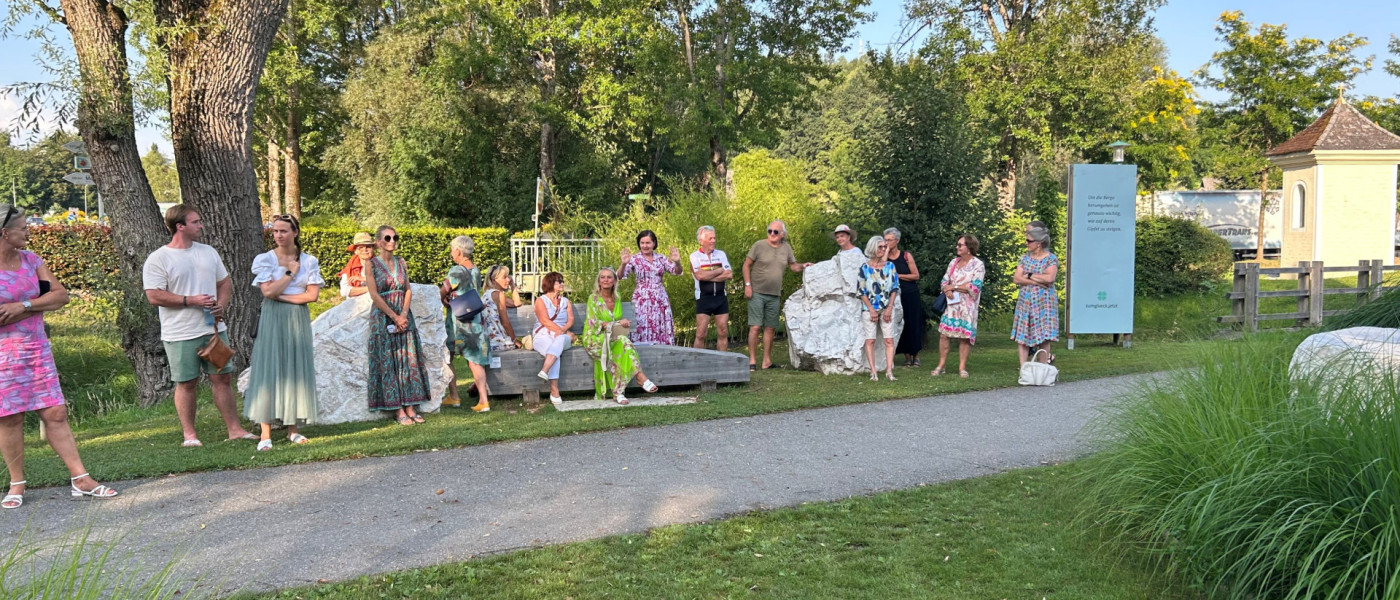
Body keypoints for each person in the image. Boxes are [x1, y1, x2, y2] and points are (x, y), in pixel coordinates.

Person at [1, 204, 117, 509]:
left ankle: (81, 479)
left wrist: (23, 306)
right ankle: (16, 483)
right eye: (23, 228)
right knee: (10, 418)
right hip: (3, 356)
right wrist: (39, 304)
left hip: (36, 349)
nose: (28, 232)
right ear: (4, 233)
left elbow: (61, 296)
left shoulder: (31, 260)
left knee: (55, 413)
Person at [143, 204, 256, 447]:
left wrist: (221, 306)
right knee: (187, 383)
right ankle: (190, 436)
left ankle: (235, 430)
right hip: (180, 333)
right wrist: (190, 300)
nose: (201, 226)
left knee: (222, 378)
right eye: (195, 222)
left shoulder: (208, 252)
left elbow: (224, 283)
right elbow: (154, 295)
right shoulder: (159, 258)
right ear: (180, 226)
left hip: (213, 331)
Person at [245, 214, 322, 450]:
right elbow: (268, 292)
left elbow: (312, 296)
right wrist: (289, 274)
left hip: (297, 318)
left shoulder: (309, 261)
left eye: (283, 231)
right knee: (269, 368)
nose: (278, 235)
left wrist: (282, 296)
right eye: (275, 231)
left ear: (295, 233)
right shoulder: (265, 259)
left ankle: (293, 429)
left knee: (295, 368)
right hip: (273, 317)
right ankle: (265, 433)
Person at [365, 225, 432, 425]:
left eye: (395, 237)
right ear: (379, 242)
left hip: (404, 315)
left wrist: (403, 314)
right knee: (388, 361)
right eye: (387, 238)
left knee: (408, 359)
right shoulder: (371, 264)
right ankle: (398, 409)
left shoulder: (401, 262)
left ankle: (410, 406)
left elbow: (408, 289)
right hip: (383, 316)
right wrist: (394, 316)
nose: (392, 241)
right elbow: (374, 294)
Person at [583, 267, 661, 404]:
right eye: (602, 277)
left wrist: (622, 323)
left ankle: (618, 393)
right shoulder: (593, 298)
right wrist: (616, 323)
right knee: (622, 344)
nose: (606, 280)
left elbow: (614, 321)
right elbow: (594, 322)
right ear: (599, 281)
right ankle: (639, 377)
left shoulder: (617, 298)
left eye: (609, 277)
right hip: (594, 338)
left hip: (612, 336)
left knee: (622, 346)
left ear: (614, 281)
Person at [743, 220, 812, 370]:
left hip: (774, 294)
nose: (772, 234)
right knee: (755, 326)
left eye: (775, 231)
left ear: (782, 234)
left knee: (770, 327)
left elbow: (793, 266)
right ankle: (752, 361)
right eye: (770, 231)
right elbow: (746, 265)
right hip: (757, 291)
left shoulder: (786, 248)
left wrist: (803, 265)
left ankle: (766, 361)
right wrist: (748, 285)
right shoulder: (759, 245)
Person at [440, 235, 490, 412]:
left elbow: (445, 289)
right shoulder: (475, 270)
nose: (451, 253)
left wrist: (443, 297)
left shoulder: (456, 271)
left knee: (448, 357)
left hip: (458, 322)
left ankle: (454, 396)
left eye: (452, 249)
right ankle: (483, 400)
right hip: (474, 320)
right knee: (475, 361)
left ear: (458, 251)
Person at [932, 234, 985, 378]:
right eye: (958, 244)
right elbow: (945, 280)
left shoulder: (978, 265)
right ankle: (941, 365)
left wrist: (953, 287)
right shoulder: (953, 262)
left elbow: (975, 286)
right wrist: (947, 289)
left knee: (964, 337)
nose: (957, 247)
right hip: (951, 305)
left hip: (967, 307)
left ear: (969, 247)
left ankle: (962, 367)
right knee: (944, 335)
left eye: (960, 245)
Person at [620, 230, 682, 346]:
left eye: (648, 243)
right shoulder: (634, 259)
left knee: (660, 326)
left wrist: (678, 262)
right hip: (641, 300)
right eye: (642, 243)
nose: (645, 246)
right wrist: (623, 264)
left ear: (654, 243)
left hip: (660, 299)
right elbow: (620, 276)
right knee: (641, 325)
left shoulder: (661, 258)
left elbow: (677, 271)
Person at [1013, 225, 1060, 365]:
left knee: (1044, 336)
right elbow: (1017, 278)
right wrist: (1037, 281)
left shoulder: (1051, 259)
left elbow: (1050, 278)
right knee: (1023, 336)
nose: (1026, 243)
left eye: (1029, 241)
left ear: (1038, 243)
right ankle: (1024, 369)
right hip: (1026, 302)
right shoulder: (1024, 259)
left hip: (1044, 303)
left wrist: (1029, 275)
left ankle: (1043, 368)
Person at [857, 235, 900, 382]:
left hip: (886, 307)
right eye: (880, 247)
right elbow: (861, 291)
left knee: (889, 340)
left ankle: (889, 371)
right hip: (869, 308)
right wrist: (871, 310)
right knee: (870, 340)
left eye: (884, 247)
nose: (883, 249)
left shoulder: (890, 266)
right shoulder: (864, 268)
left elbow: (895, 288)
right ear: (873, 248)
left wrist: (889, 308)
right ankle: (873, 372)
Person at [532, 271, 574, 406]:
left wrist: (563, 331)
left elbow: (571, 320)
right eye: (559, 281)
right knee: (554, 351)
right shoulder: (541, 300)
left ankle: (545, 370)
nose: (562, 283)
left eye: (562, 281)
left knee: (558, 342)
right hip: (543, 334)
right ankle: (554, 390)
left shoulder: (566, 301)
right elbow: (545, 321)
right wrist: (561, 331)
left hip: (562, 336)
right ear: (550, 283)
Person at [885, 227, 924, 367]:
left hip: (910, 293)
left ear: (897, 240)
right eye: (885, 240)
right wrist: (885, 253)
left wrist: (898, 276)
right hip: (894, 295)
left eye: (890, 240)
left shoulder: (906, 256)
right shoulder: (884, 257)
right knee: (901, 323)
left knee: (914, 323)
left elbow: (916, 275)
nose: (887, 243)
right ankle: (906, 356)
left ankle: (916, 355)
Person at [690, 225, 732, 351]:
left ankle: (722, 360)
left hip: (720, 296)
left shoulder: (721, 254)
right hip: (704, 297)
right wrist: (719, 271)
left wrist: (707, 276)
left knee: (723, 331)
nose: (713, 241)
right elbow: (699, 276)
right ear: (701, 241)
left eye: (714, 238)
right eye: (710, 238)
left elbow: (729, 274)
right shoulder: (695, 256)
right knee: (701, 333)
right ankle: (697, 360)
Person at [482, 264, 524, 353]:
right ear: (494, 280)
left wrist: (512, 285)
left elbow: (517, 303)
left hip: (486, 341)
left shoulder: (487, 294)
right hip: (497, 342)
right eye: (504, 277)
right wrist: (515, 340)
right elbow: (505, 322)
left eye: (508, 277)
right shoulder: (499, 295)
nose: (508, 280)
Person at [338, 232, 375, 298]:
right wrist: (370, 288)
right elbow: (344, 291)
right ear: (356, 251)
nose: (365, 250)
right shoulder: (350, 267)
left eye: (368, 247)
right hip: (355, 301)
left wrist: (363, 279)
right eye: (360, 247)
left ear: (373, 249)